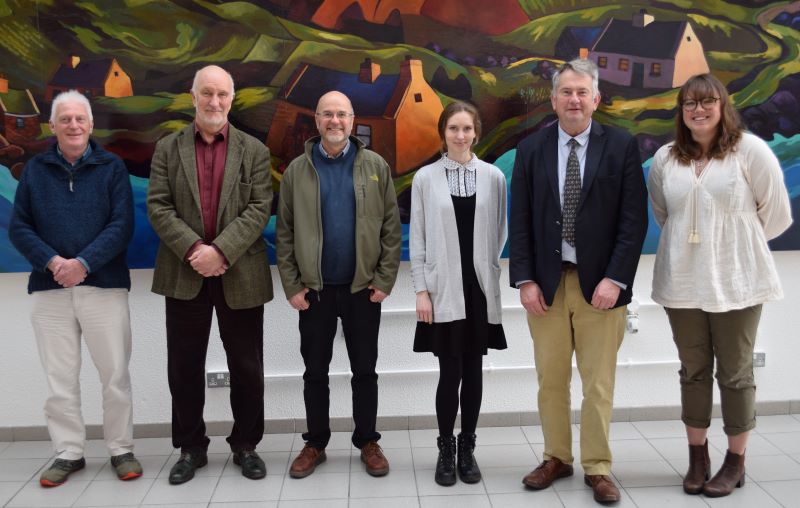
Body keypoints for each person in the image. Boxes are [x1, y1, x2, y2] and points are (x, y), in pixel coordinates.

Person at [509, 58, 648, 504]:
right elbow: (521, 220)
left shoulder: (621, 147)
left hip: (601, 288)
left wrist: (615, 279)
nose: (573, 99)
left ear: (596, 99)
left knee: (598, 383)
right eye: (565, 92)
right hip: (547, 286)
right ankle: (556, 456)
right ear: (553, 100)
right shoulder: (531, 150)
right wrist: (525, 278)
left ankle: (598, 467)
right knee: (550, 379)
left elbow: (633, 222)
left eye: (581, 92)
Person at [648, 73, 792, 498]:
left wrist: (733, 245)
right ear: (681, 111)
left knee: (735, 373)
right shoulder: (665, 158)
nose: (698, 110)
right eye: (689, 103)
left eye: (707, 101)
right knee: (693, 372)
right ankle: (698, 457)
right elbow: (664, 215)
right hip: (683, 282)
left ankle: (735, 461)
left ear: (722, 105)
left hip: (737, 281)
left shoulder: (750, 151)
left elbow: (778, 215)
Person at [147, 65, 273, 484]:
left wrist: (220, 250)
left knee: (248, 366)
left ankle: (246, 445)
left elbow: (259, 208)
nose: (214, 102)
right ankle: (191, 447)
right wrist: (194, 250)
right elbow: (158, 207)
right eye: (207, 93)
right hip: (184, 272)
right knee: (183, 366)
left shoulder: (254, 150)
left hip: (240, 271)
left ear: (231, 99)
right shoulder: (167, 148)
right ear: (193, 96)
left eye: (221, 94)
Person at [9, 90, 142, 486]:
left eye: (79, 119)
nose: (73, 125)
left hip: (104, 287)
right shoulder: (35, 170)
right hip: (50, 291)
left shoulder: (112, 167)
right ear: (53, 126)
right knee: (59, 378)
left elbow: (122, 226)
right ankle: (68, 452)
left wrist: (83, 264)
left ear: (90, 124)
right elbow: (19, 227)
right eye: (64, 119)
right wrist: (54, 264)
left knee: (114, 375)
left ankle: (121, 449)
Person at [276, 90, 402, 479]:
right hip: (314, 290)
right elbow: (285, 232)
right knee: (315, 371)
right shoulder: (297, 170)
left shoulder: (375, 165)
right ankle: (315, 443)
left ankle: (367, 441)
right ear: (316, 121)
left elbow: (390, 229)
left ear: (352, 121)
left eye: (342, 115)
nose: (335, 121)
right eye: (327, 114)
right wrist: (292, 285)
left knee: (365, 370)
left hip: (362, 289)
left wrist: (384, 280)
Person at [409, 101, 508, 486]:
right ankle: (445, 450)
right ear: (443, 132)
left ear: (476, 133)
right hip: (442, 289)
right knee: (449, 372)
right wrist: (422, 289)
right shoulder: (425, 179)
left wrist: (485, 269)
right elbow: (417, 238)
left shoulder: (493, 177)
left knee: (474, 371)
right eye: (453, 128)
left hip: (479, 289)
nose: (460, 136)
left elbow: (498, 233)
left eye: (467, 128)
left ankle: (468, 448)